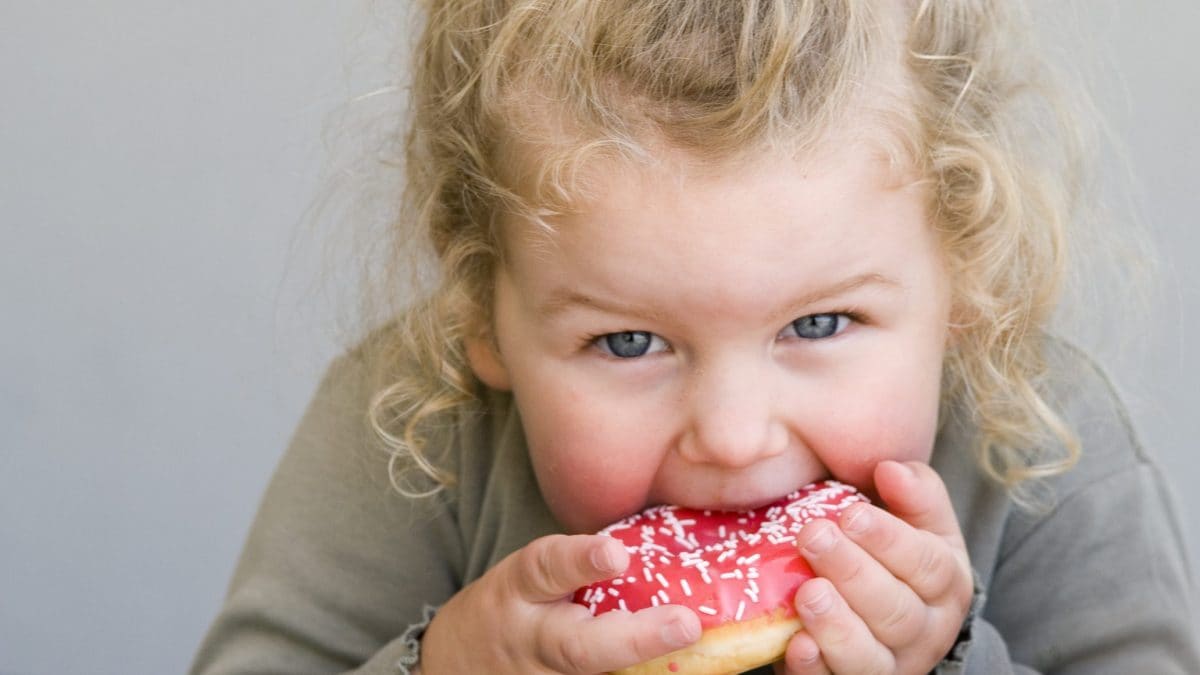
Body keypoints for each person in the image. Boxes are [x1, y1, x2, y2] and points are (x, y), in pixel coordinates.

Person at [191, 1, 1199, 673]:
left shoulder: (1039, 441)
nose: (732, 436)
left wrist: (948, 660)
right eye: (630, 343)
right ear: (480, 313)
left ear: (964, 279)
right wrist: (445, 666)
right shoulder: (416, 426)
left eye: (818, 324)